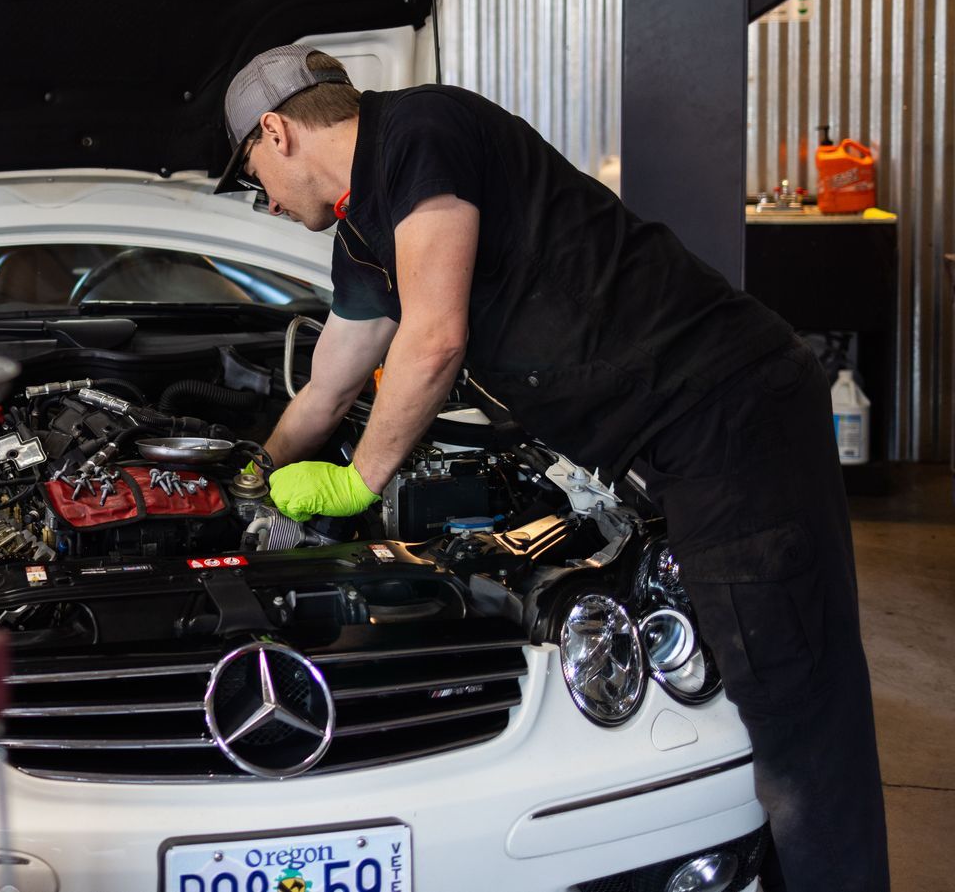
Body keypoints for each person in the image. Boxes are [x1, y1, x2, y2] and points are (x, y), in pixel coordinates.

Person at [216, 45, 886, 892]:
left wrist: (358, 481)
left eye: (252, 177)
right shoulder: (364, 227)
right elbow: (331, 381)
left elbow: (434, 337)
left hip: (728, 411)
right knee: (770, 689)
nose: (265, 203)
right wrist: (253, 468)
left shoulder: (418, 132)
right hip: (667, 436)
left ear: (276, 131)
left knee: (798, 706)